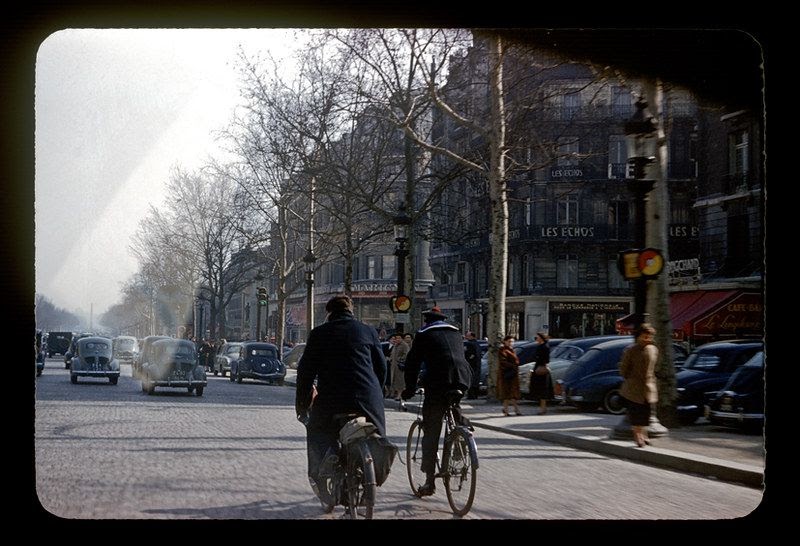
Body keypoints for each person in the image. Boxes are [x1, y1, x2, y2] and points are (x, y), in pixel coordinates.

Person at [295, 295, 388, 500]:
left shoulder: (319, 333)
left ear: (329, 313)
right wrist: (376, 394)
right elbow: (381, 367)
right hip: (367, 397)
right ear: (351, 311)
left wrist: (302, 405)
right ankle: (370, 474)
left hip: (332, 398)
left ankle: (326, 466)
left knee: (317, 430)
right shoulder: (368, 331)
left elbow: (305, 372)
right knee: (377, 435)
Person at [401, 307, 472, 497]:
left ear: (427, 321)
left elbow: (413, 363)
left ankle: (429, 482)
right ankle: (460, 435)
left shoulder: (424, 334)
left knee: (431, 431)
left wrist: (408, 389)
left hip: (439, 380)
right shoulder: (456, 332)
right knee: (453, 404)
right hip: (462, 378)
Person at [619, 323, 659, 448]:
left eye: (649, 336)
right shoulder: (631, 350)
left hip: (648, 387)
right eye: (644, 336)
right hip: (634, 387)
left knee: (646, 413)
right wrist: (630, 379)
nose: (647, 339)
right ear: (639, 336)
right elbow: (624, 369)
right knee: (636, 413)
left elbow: (654, 368)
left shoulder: (653, 349)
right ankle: (638, 437)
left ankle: (644, 434)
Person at [529, 331, 554, 415]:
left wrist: (543, 366)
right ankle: (542, 407)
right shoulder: (540, 346)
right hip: (538, 367)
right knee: (540, 389)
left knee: (542, 389)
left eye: (538, 337)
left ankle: (543, 408)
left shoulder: (544, 347)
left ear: (541, 338)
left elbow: (546, 360)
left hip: (541, 368)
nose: (536, 339)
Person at [497, 335, 522, 416]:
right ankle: (509, 410)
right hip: (506, 375)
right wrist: (513, 365)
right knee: (507, 394)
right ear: (505, 341)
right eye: (509, 341)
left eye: (512, 341)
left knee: (512, 394)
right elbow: (503, 362)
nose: (511, 343)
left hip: (512, 374)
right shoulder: (503, 350)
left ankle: (514, 410)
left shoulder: (511, 350)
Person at [388, 333, 409, 407]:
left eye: (399, 338)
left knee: (400, 380)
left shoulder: (404, 345)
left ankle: (399, 395)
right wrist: (390, 359)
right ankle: (395, 393)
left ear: (402, 339)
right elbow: (392, 354)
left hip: (400, 366)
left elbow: (406, 354)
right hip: (393, 366)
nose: (397, 339)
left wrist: (399, 359)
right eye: (396, 338)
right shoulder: (395, 345)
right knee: (394, 380)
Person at [464, 331, 482, 399]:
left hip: (471, 365)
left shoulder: (469, 344)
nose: (466, 337)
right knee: (476, 380)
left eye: (468, 336)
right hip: (477, 365)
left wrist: (467, 360)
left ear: (472, 336)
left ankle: (471, 395)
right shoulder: (477, 344)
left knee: (471, 380)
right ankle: (475, 395)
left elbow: (470, 355)